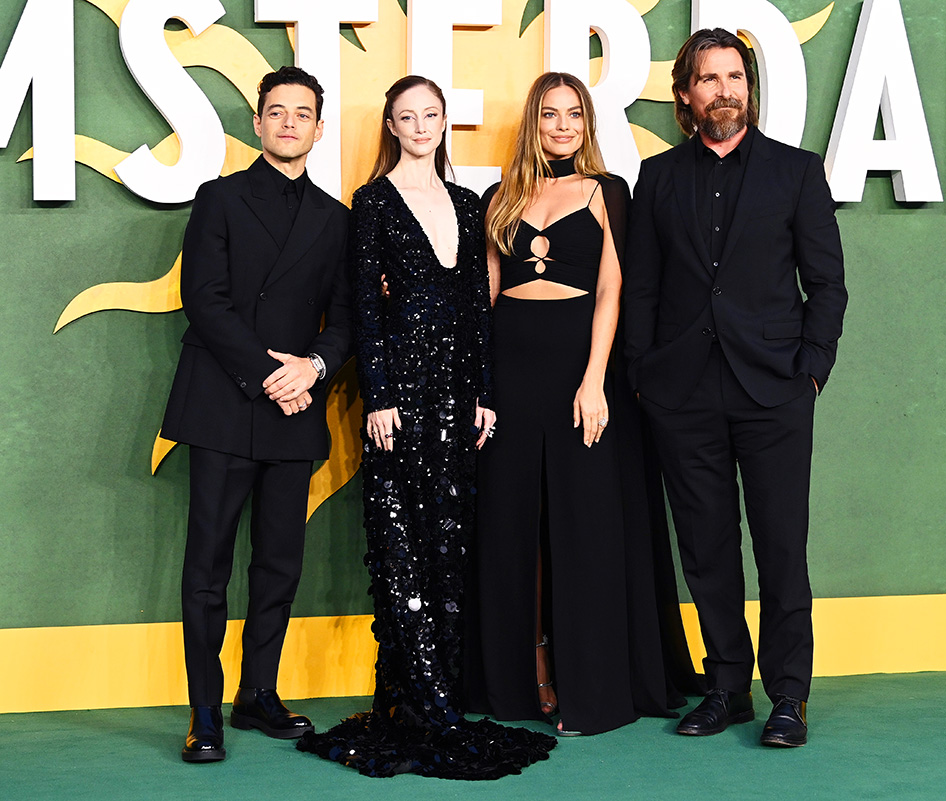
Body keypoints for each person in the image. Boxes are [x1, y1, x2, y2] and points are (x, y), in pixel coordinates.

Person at [296, 75, 555, 779]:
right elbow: (365, 309)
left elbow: (478, 306)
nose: (420, 125)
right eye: (407, 115)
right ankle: (426, 702)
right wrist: (377, 395)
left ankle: (439, 686)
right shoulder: (372, 203)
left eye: (431, 114)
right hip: (397, 396)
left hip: (456, 398)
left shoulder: (470, 204)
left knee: (449, 544)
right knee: (400, 541)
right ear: (391, 124)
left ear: (445, 123)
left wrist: (486, 396)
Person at [623, 28, 848, 748]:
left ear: (749, 86)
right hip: (683, 394)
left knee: (782, 547)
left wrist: (811, 370)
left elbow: (828, 284)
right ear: (685, 94)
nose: (724, 89)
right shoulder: (657, 180)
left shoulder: (797, 172)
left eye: (734, 77)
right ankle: (726, 686)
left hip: (775, 389)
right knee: (708, 550)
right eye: (709, 78)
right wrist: (645, 376)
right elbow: (643, 290)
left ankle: (788, 695)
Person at [469, 72, 700, 737]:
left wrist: (595, 378)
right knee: (515, 528)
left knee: (583, 527)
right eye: (550, 114)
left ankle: (587, 687)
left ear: (586, 124)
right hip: (510, 376)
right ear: (533, 124)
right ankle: (525, 680)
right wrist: (480, 391)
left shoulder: (607, 192)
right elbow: (484, 296)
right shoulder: (499, 196)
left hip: (579, 371)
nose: (563, 126)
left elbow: (612, 291)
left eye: (573, 114)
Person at [160, 66, 353, 762]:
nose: (289, 123)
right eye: (277, 111)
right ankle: (204, 709)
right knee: (207, 566)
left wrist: (315, 367)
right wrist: (276, 373)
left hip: (294, 411)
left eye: (303, 113)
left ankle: (258, 693)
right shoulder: (219, 199)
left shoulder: (337, 219)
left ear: (318, 128)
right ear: (258, 123)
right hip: (223, 403)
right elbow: (203, 299)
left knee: (278, 563)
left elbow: (348, 320)